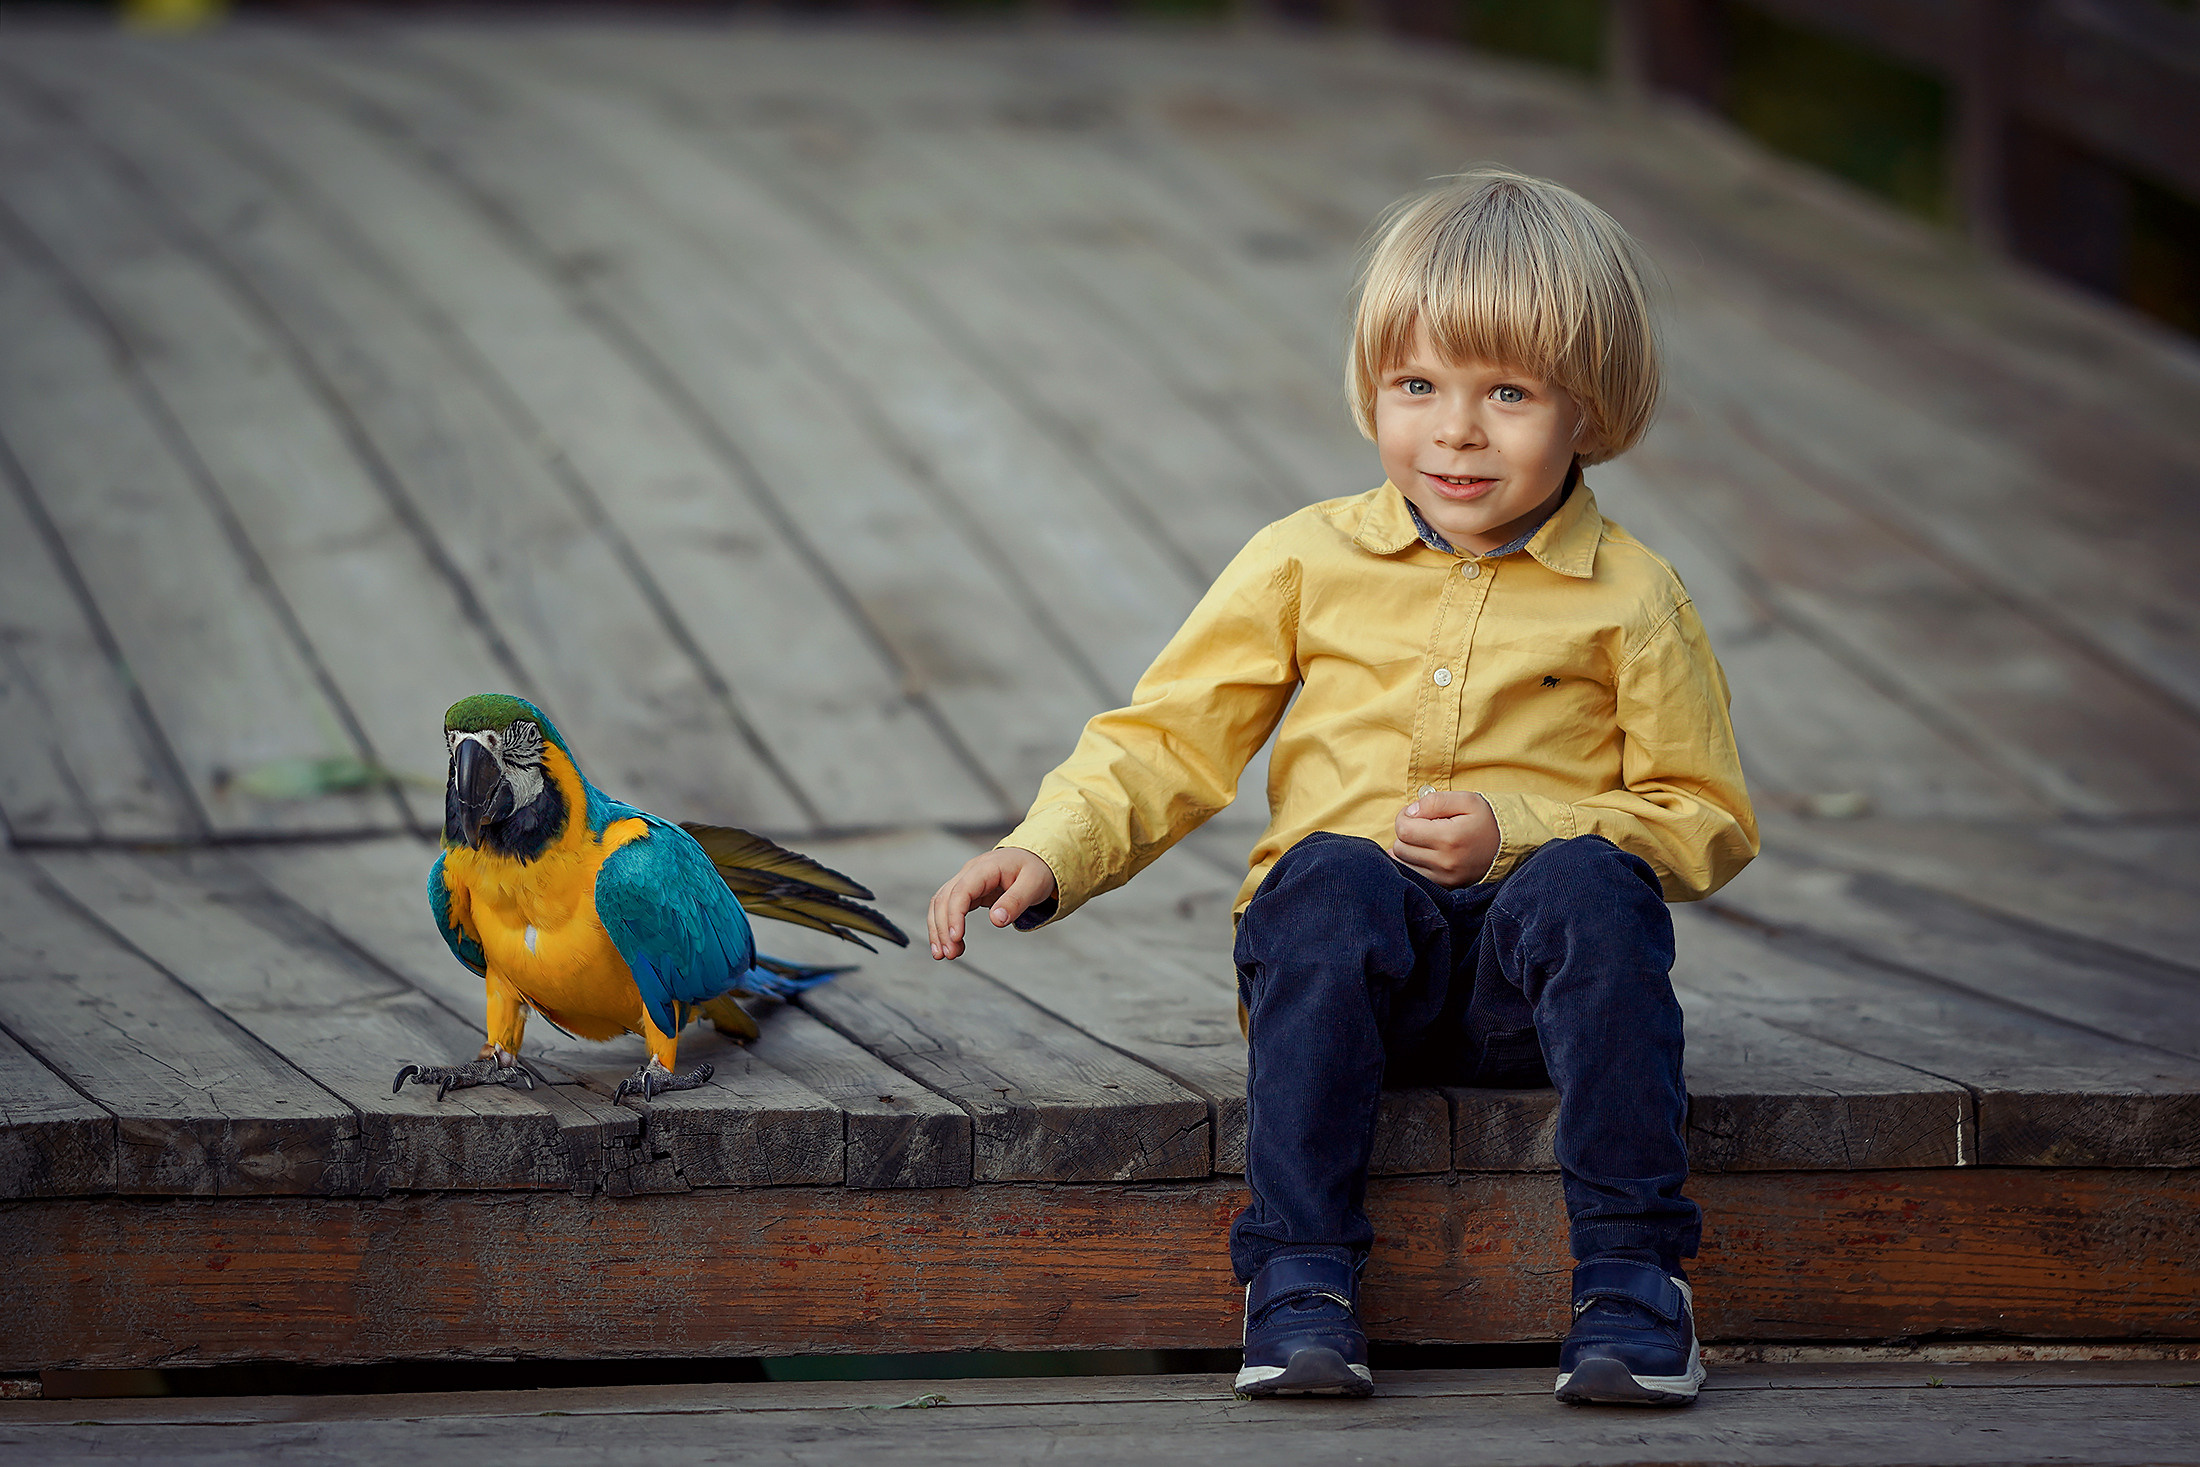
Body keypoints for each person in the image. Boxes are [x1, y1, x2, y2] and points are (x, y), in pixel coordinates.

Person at [926, 168, 1756, 1407]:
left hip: (1534, 996)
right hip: (1341, 975)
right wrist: (1049, 848)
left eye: (1508, 394)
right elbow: (1169, 736)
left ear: (1589, 410)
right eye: (1416, 386)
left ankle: (1631, 1286)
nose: (1456, 432)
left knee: (1594, 885)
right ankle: (1299, 1277)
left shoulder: (1632, 596)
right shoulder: (1302, 559)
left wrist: (1517, 830)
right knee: (1323, 872)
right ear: (1372, 387)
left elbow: (1706, 819)